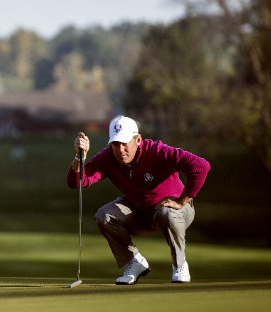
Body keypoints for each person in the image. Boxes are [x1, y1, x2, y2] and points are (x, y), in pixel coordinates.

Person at [67, 115, 210, 285]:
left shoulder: (157, 151)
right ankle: (134, 262)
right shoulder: (108, 158)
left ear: (138, 140)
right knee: (104, 216)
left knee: (167, 213)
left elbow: (200, 166)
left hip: (175, 213)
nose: (120, 150)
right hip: (140, 213)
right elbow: (77, 182)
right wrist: (79, 158)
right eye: (115, 144)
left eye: (124, 143)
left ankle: (179, 266)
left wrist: (182, 200)